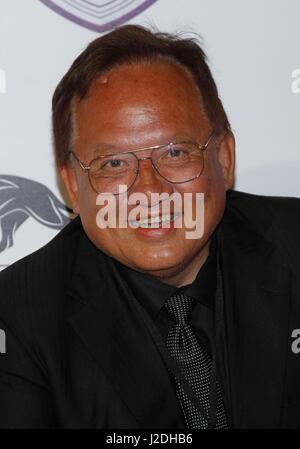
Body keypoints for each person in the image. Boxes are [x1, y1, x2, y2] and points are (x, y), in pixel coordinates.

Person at [0, 25, 299, 429]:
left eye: (175, 152)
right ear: (73, 184)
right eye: (114, 164)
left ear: (224, 159)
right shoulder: (18, 319)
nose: (150, 190)